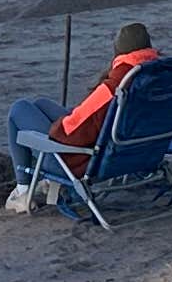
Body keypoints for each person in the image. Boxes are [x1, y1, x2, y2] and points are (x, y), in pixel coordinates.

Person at [8, 20, 159, 203]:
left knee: (19, 108)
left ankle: (23, 191)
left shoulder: (115, 87)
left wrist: (57, 128)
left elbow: (69, 133)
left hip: (86, 161)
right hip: (138, 150)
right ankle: (41, 185)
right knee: (42, 104)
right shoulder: (159, 76)